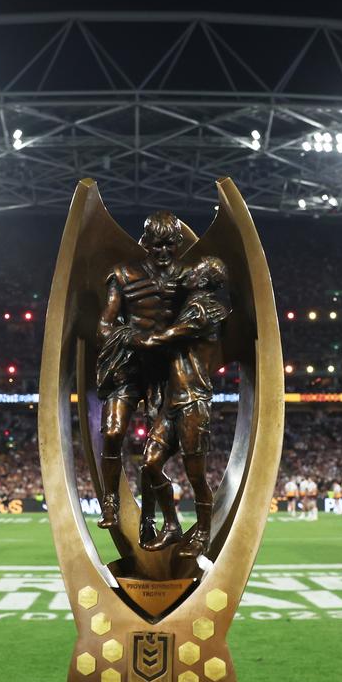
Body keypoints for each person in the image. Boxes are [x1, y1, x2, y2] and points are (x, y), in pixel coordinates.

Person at [94, 210, 187, 544]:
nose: (163, 252)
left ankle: (150, 520)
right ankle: (110, 500)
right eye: (157, 245)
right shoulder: (123, 275)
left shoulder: (186, 278)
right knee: (114, 431)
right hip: (129, 366)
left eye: (169, 246)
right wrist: (131, 337)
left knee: (153, 453)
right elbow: (105, 324)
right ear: (145, 243)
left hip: (166, 373)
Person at [132, 256, 229, 558]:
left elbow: (172, 335)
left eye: (197, 269)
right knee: (149, 463)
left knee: (195, 474)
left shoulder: (208, 308)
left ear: (203, 279)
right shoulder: (189, 304)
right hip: (172, 401)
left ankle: (203, 533)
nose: (191, 271)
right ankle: (172, 525)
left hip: (193, 400)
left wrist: (139, 337)